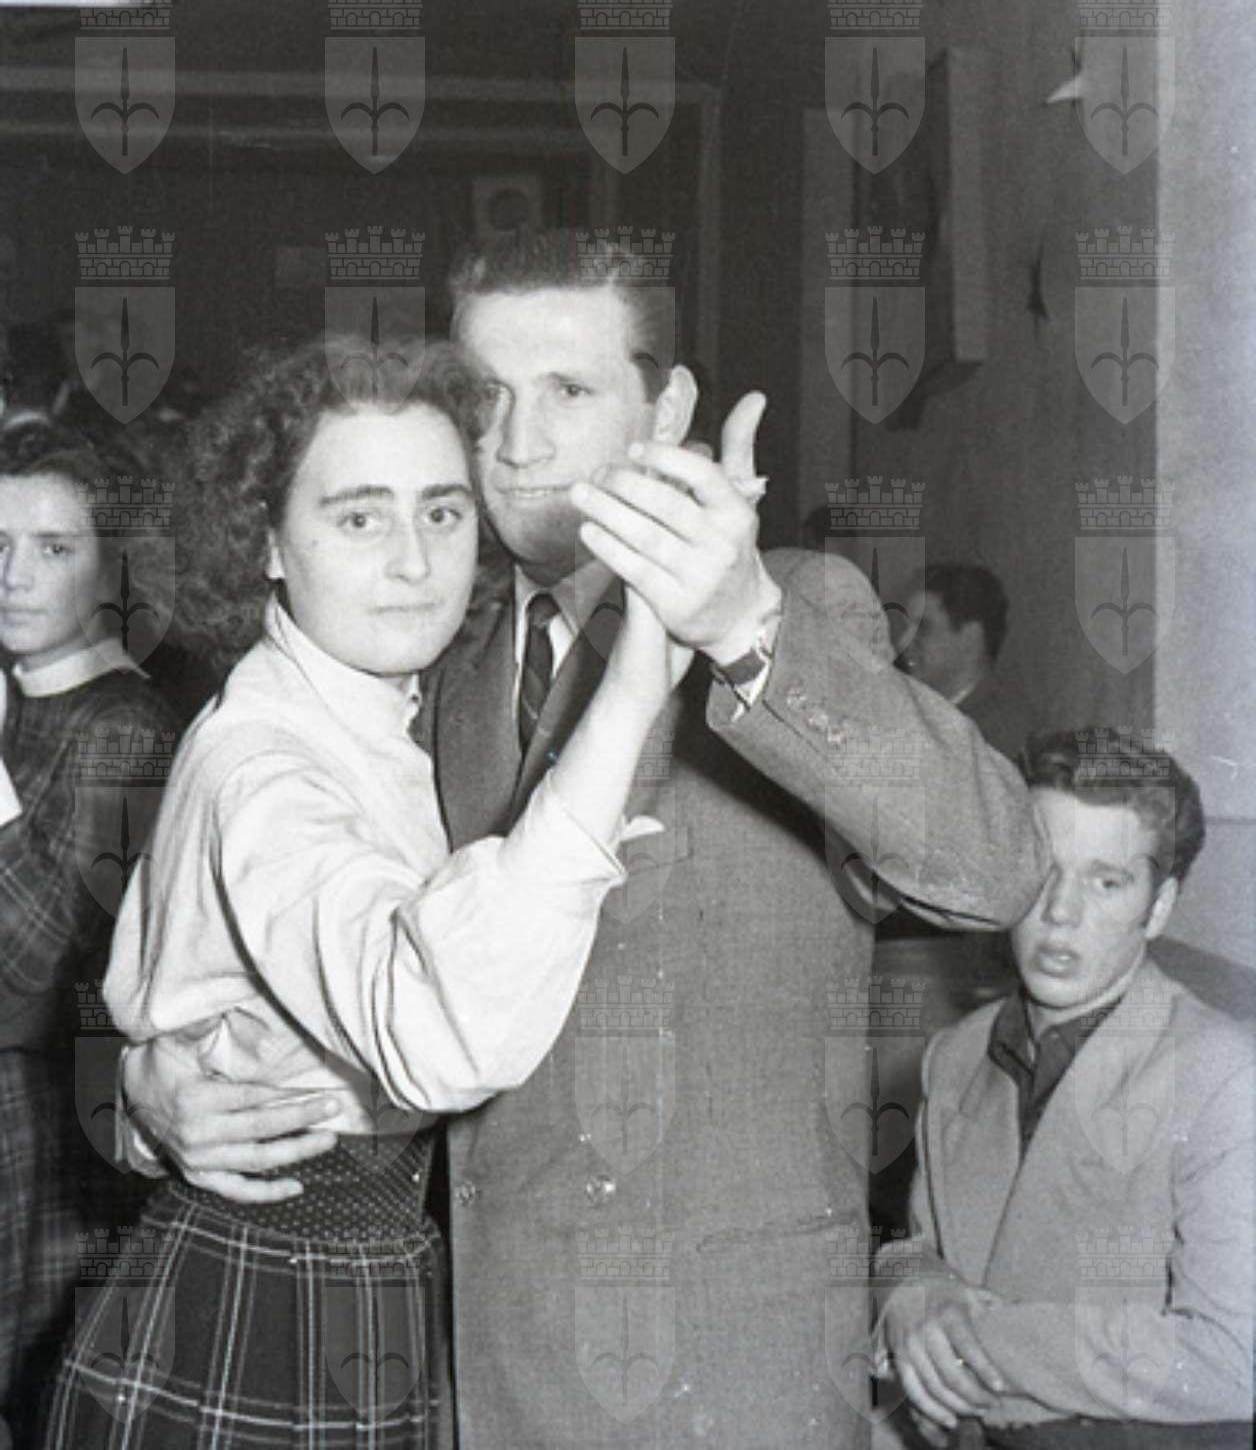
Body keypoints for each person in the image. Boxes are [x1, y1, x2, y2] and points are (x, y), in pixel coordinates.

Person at [121, 229, 1049, 1449]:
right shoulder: (426, 645)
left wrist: (742, 622)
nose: (517, 440)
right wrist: (154, 1091)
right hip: (470, 1361)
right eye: (485, 394)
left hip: (722, 1371)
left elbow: (995, 870)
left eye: (568, 389)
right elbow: (305, 938)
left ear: (665, 410)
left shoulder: (793, 607)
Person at [42, 339, 690, 1448]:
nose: (413, 561)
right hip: (263, 1288)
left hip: (360, 1268)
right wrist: (635, 686)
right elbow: (435, 1030)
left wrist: (141, 1087)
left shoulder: (384, 700)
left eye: (442, 511)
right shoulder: (264, 764)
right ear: (265, 543)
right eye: (358, 517)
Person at [876, 729, 1255, 1449]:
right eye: (1043, 870)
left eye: (1106, 882)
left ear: (1159, 908)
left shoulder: (1223, 1077)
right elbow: (923, 1247)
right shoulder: (956, 1055)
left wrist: (975, 1346)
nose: (1059, 912)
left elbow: (1236, 1357)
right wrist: (905, 1290)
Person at [0, 416, 180, 1442]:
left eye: (53, 547)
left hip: (54, 1156)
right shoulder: (17, 698)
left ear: (111, 566)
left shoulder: (126, 726)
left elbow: (27, 975)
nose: (13, 576)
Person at [895, 563, 1032, 762]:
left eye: (923, 628)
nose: (902, 643)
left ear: (970, 639)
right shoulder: (910, 709)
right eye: (905, 627)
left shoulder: (1002, 735)